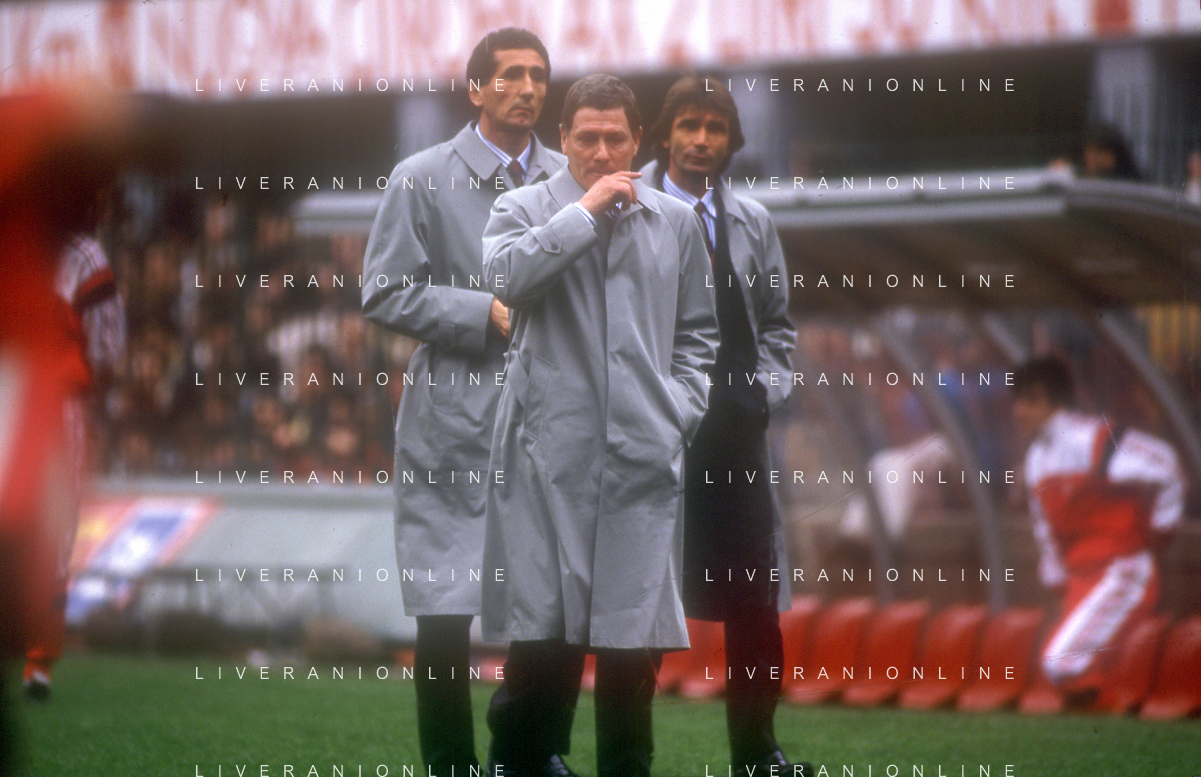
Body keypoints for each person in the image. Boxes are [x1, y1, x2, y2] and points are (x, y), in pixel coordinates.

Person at [480, 74, 719, 777]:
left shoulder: (675, 222)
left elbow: (698, 334)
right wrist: (582, 212)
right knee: (542, 626)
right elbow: (505, 279)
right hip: (546, 454)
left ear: (639, 140)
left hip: (642, 450)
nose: (602, 150)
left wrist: (677, 411)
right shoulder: (522, 206)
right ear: (562, 138)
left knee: (632, 635)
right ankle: (520, 760)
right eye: (586, 137)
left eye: (616, 137)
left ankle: (626, 767)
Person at [361, 28, 580, 777]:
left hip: (551, 407)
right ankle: (449, 761)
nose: (528, 88)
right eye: (511, 74)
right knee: (445, 603)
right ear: (476, 89)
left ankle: (528, 750)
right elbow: (382, 291)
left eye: (539, 75)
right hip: (451, 415)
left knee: (550, 596)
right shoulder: (419, 177)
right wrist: (479, 310)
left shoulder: (568, 177)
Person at [643, 76, 808, 777]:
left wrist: (764, 394)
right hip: (656, 437)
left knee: (754, 602)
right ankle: (628, 758)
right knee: (642, 599)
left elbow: (776, 326)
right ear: (664, 135)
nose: (701, 140)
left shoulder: (753, 222)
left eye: (714, 128)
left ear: (732, 141)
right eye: (688, 125)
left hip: (737, 440)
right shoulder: (629, 206)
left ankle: (757, 753)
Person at [1012, 357, 1185, 699]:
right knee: (1057, 666)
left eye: (1029, 400)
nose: (1018, 411)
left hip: (1123, 573)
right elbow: (1045, 532)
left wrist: (1161, 531)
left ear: (1054, 401)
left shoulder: (1092, 437)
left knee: (1059, 663)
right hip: (1082, 580)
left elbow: (1165, 465)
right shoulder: (1035, 460)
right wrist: (1059, 582)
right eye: (1017, 400)